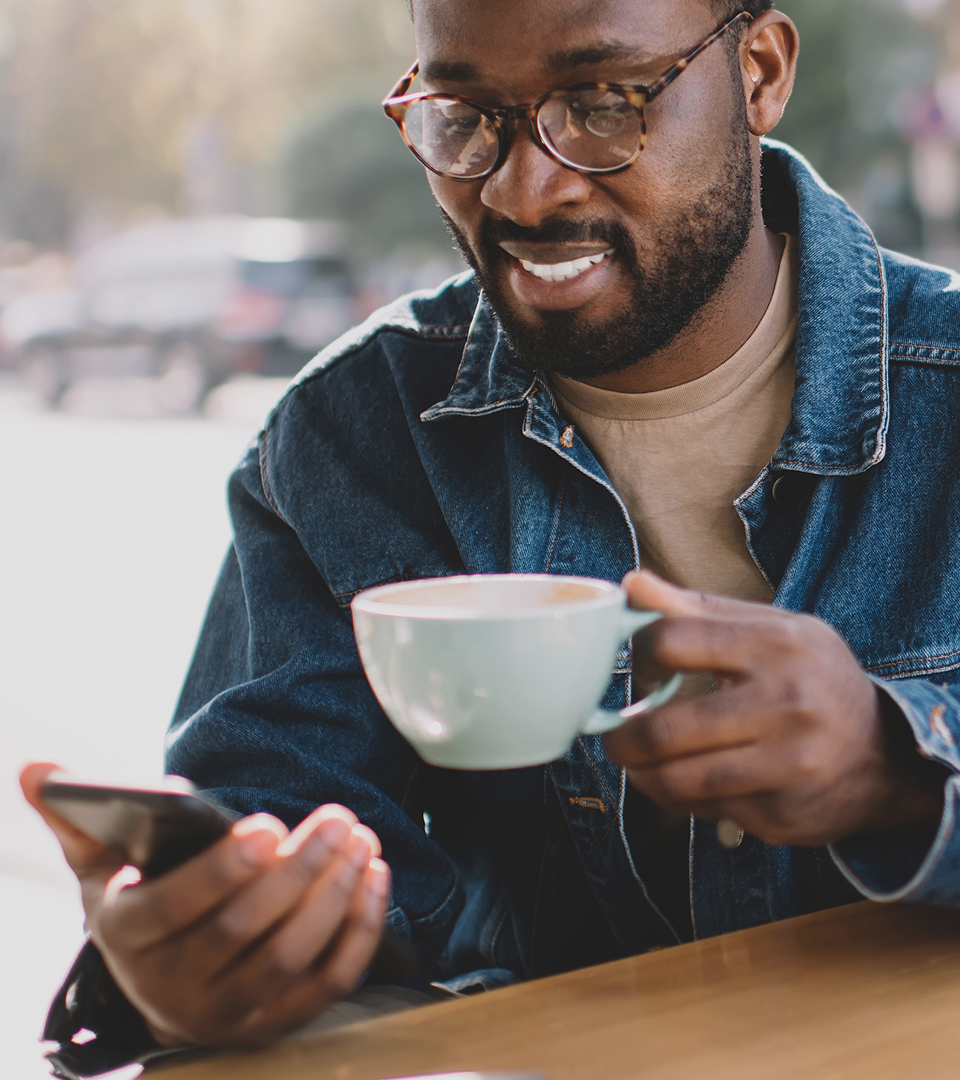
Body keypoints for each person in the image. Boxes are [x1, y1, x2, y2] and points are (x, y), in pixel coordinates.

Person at [21, 0, 960, 1074]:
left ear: (759, 71)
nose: (524, 187)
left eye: (604, 103)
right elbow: (272, 836)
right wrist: (207, 952)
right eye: (463, 114)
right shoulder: (348, 437)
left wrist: (897, 767)